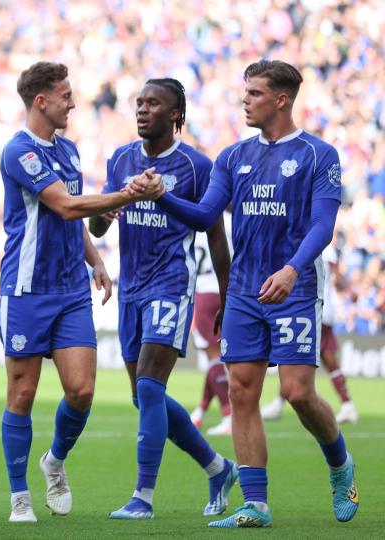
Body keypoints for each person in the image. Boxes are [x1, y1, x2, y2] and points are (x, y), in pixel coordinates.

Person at [151, 59, 360, 528]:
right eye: (245, 92)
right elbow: (205, 216)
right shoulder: (232, 157)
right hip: (244, 291)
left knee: (297, 393)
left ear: (281, 100)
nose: (245, 100)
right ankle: (256, 504)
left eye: (255, 93)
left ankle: (340, 464)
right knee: (242, 391)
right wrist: (160, 195)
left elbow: (323, 225)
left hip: (295, 287)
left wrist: (291, 269)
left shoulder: (318, 155)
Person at [0, 61, 163, 523]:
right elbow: (67, 206)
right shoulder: (19, 151)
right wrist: (129, 194)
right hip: (27, 290)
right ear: (41, 101)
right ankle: (19, 496)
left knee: (83, 390)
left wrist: (96, 260)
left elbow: (72, 221)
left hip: (70, 289)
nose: (72, 103)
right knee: (22, 394)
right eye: (65, 95)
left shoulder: (68, 150)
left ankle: (54, 461)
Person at [88, 78, 237, 521]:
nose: (141, 109)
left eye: (153, 103)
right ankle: (218, 467)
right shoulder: (121, 159)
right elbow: (98, 226)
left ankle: (143, 497)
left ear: (175, 114)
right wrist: (104, 212)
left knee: (151, 386)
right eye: (139, 102)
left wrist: (227, 296)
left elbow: (214, 233)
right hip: (131, 287)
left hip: (171, 283)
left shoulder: (196, 166)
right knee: (143, 396)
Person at [261, 245, 358, 424]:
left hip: (312, 306)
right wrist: (349, 291)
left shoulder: (313, 246)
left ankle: (279, 403)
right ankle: (347, 405)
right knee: (328, 360)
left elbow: (336, 278)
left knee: (294, 356)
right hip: (324, 309)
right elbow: (338, 279)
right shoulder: (328, 249)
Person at [189, 212, 233, 436]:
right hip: (226, 290)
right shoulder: (230, 220)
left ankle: (229, 416)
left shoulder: (196, 219)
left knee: (214, 356)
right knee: (215, 359)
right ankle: (201, 411)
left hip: (204, 292)